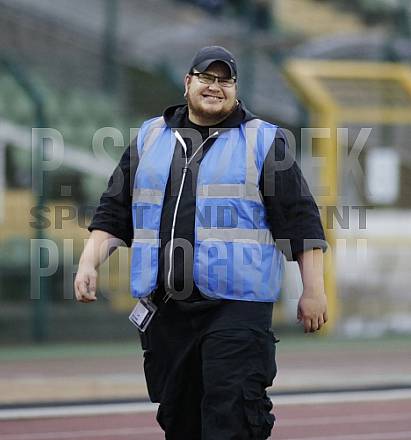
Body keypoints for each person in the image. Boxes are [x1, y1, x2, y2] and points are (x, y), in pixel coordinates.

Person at [74, 45, 328, 440]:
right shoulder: (149, 138)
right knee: (180, 422)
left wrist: (314, 290)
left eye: (225, 80)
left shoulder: (263, 141)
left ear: (236, 89)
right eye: (206, 77)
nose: (215, 86)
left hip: (237, 308)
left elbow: (300, 220)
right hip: (167, 308)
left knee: (233, 416)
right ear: (187, 82)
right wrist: (88, 262)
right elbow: (114, 210)